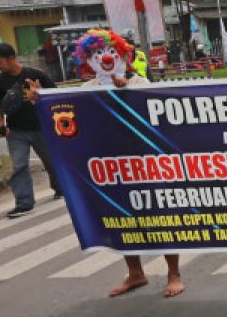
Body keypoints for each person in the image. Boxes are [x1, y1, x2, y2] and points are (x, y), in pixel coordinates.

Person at [71, 30, 186, 298]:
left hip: (145, 162)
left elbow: (156, 111)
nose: (105, 58)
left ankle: (174, 273)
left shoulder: (139, 80)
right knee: (120, 219)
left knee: (160, 218)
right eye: (96, 54)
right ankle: (135, 272)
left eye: (109, 51)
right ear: (88, 60)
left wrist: (129, 89)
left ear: (123, 54)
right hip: (109, 166)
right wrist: (37, 100)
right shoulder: (87, 90)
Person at [0, 42, 61, 218]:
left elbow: (55, 97)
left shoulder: (36, 75)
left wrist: (40, 92)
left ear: (11, 59)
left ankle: (61, 188)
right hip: (16, 132)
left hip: (41, 127)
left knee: (51, 161)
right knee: (19, 165)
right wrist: (1, 127)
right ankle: (24, 202)